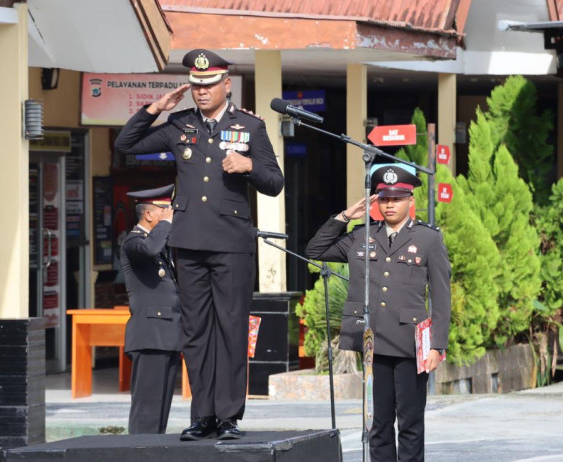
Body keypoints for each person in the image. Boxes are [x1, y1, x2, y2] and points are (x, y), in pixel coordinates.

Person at [114, 49, 285, 441]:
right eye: (195, 85)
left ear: (227, 85)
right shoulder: (178, 125)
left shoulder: (250, 127)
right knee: (195, 332)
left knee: (230, 328)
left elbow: (275, 183)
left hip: (230, 242)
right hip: (188, 241)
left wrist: (249, 167)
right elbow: (126, 143)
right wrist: (157, 107)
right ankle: (203, 415)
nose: (201, 91)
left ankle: (228, 416)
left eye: (208, 85)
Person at [306, 164, 451, 461]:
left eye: (396, 199)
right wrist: (345, 216)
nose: (390, 205)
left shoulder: (428, 239)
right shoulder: (361, 236)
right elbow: (315, 250)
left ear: (410, 200)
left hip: (410, 344)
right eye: (384, 199)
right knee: (378, 424)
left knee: (410, 423)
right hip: (373, 345)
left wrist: (437, 345)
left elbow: (441, 295)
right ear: (376, 202)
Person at [120, 185, 181, 434]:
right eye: (164, 210)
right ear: (148, 215)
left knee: (161, 409)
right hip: (150, 335)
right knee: (147, 408)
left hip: (168, 333)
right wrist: (166, 225)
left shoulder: (161, 245)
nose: (169, 214)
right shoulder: (134, 242)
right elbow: (149, 250)